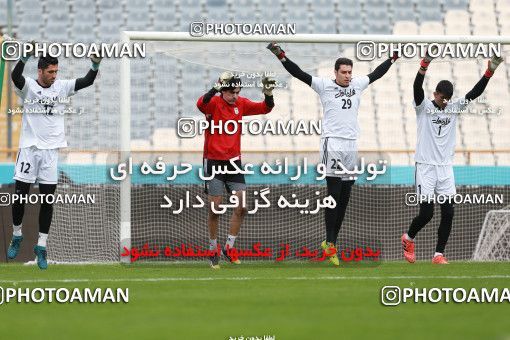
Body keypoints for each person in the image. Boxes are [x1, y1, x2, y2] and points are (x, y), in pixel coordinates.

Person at [267, 42, 398, 266]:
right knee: (334, 194)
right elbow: (299, 73)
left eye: (350, 72)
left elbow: (376, 73)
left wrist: (392, 59)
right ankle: (329, 242)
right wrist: (281, 56)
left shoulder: (357, 84)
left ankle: (331, 244)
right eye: (344, 72)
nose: (348, 76)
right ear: (335, 72)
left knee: (345, 198)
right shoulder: (323, 85)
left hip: (351, 145)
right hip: (333, 143)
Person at [401, 52, 503, 264]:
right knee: (426, 214)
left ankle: (438, 254)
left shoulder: (454, 107)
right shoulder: (423, 108)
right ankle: (409, 238)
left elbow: (474, 93)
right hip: (426, 167)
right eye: (442, 98)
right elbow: (416, 88)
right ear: (435, 93)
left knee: (448, 212)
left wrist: (490, 71)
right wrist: (424, 65)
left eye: (448, 99)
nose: (445, 102)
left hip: (445, 168)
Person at [7, 42, 102, 269]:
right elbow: (15, 75)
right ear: (40, 71)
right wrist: (24, 57)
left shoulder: (62, 87)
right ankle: (17, 234)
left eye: (56, 71)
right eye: (50, 72)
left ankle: (41, 246)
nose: (54, 75)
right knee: (20, 196)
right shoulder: (28, 86)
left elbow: (87, 80)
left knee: (47, 200)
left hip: (51, 153)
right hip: (30, 150)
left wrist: (95, 64)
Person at [196, 72, 275, 269]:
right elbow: (200, 103)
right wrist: (215, 86)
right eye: (231, 92)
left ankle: (228, 248)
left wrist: (268, 93)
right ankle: (213, 250)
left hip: (234, 164)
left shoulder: (241, 104)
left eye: (238, 92)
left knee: (241, 207)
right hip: (213, 162)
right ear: (222, 91)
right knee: (215, 209)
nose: (235, 96)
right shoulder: (213, 103)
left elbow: (266, 108)